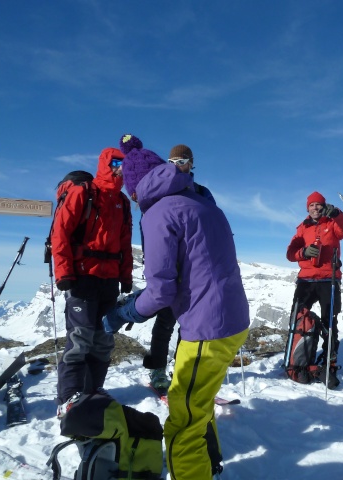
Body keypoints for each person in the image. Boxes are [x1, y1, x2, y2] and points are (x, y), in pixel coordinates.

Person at [104, 133, 249, 480]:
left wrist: (123, 313)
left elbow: (161, 291)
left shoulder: (157, 213)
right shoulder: (203, 202)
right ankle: (209, 460)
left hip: (206, 329)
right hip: (231, 319)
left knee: (183, 420)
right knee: (198, 402)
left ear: (136, 188)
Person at [52, 147, 133, 417]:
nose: (120, 167)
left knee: (103, 338)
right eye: (116, 162)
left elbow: (125, 243)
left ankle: (94, 389)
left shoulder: (122, 201)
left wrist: (126, 275)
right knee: (79, 339)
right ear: (105, 163)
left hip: (109, 279)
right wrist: (63, 273)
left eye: (125, 163)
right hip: (82, 277)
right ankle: (69, 398)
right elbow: (60, 232)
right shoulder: (84, 192)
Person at [145, 143, 217, 393]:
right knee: (164, 323)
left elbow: (213, 225)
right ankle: (156, 371)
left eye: (182, 161)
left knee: (189, 325)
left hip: (194, 272)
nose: (177, 166)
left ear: (191, 163)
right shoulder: (163, 193)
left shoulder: (202, 192)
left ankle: (181, 369)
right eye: (172, 162)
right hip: (170, 267)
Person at [286, 191, 343, 389]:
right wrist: (303, 253)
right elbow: (290, 254)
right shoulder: (302, 228)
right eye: (312, 205)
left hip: (329, 279)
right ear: (307, 208)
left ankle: (328, 362)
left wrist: (337, 213)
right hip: (305, 280)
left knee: (329, 322)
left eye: (318, 205)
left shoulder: (332, 222)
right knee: (298, 319)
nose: (315, 208)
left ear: (323, 206)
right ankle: (298, 359)